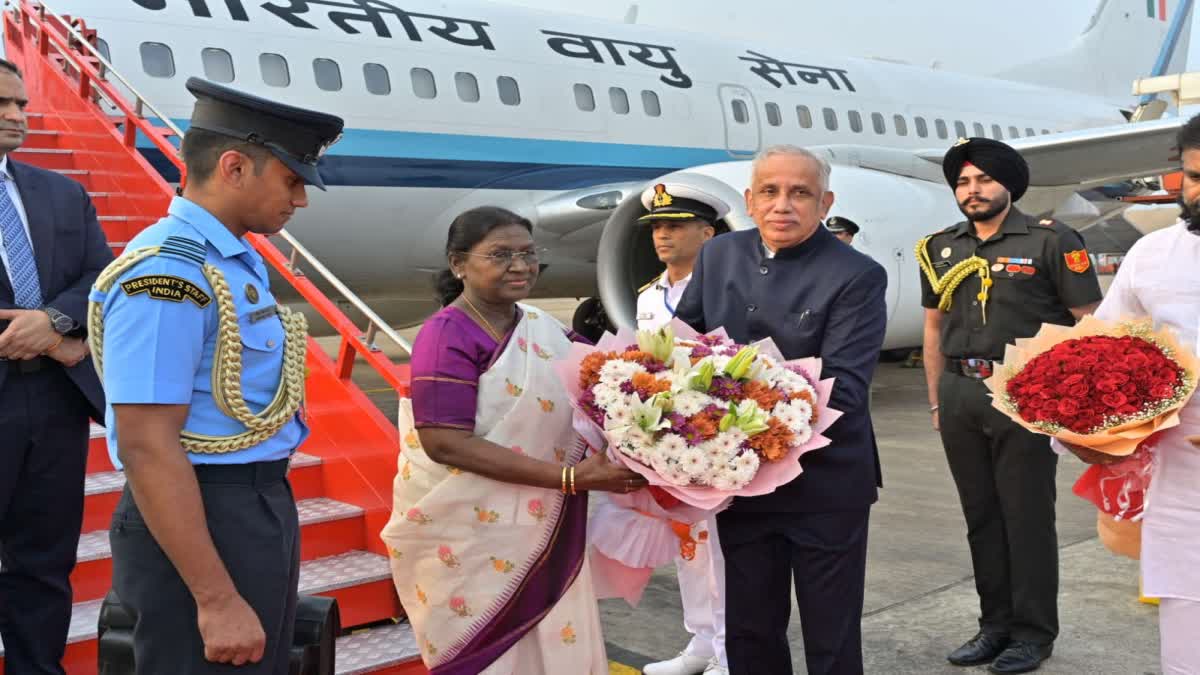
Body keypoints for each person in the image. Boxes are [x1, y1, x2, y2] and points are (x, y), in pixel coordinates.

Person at [87, 78, 342, 672]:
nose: (300, 199)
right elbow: (148, 446)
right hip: (202, 512)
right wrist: (217, 598)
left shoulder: (230, 258)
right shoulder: (168, 277)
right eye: (292, 180)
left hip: (250, 503)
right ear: (234, 167)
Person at [380, 206, 648, 675]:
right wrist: (569, 478)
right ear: (459, 264)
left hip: (543, 523)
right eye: (500, 255)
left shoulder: (540, 325)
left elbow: (602, 381)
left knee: (557, 638)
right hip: (471, 535)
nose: (520, 266)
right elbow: (444, 442)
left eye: (528, 253)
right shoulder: (446, 335)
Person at [674, 145, 888, 675]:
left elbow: (845, 388)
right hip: (741, 482)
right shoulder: (719, 255)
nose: (782, 205)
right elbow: (684, 347)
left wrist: (732, 421)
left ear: (825, 203)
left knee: (831, 634)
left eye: (800, 193)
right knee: (749, 629)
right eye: (769, 191)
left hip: (826, 484)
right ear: (749, 200)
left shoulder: (857, 275)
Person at [918, 137, 1102, 674]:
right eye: (963, 182)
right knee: (981, 517)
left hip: (1026, 396)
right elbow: (933, 328)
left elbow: (1089, 323)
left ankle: (1033, 634)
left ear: (1009, 185)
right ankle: (993, 626)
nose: (972, 191)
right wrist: (936, 400)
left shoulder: (1052, 241)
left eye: (983, 180)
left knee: (1026, 518)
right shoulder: (941, 247)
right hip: (960, 392)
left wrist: (1073, 404)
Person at [1058, 114, 1200, 675]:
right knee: (1188, 644)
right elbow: (1102, 357)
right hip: (1186, 490)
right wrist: (1082, 435)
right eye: (1194, 177)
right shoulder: (1152, 255)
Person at [0, 57, 111, 674]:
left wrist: (55, 323)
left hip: (53, 405)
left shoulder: (62, 193)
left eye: (21, 103)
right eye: (3, 104)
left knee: (44, 564)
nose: (18, 114)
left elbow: (101, 276)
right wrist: (43, 334)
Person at [627, 183, 729, 675]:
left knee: (723, 549)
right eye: (657, 228)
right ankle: (701, 643)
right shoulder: (649, 296)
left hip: (718, 433)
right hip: (670, 435)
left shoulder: (728, 289)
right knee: (687, 542)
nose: (662, 236)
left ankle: (730, 651)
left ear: (707, 234)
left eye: (675, 226)